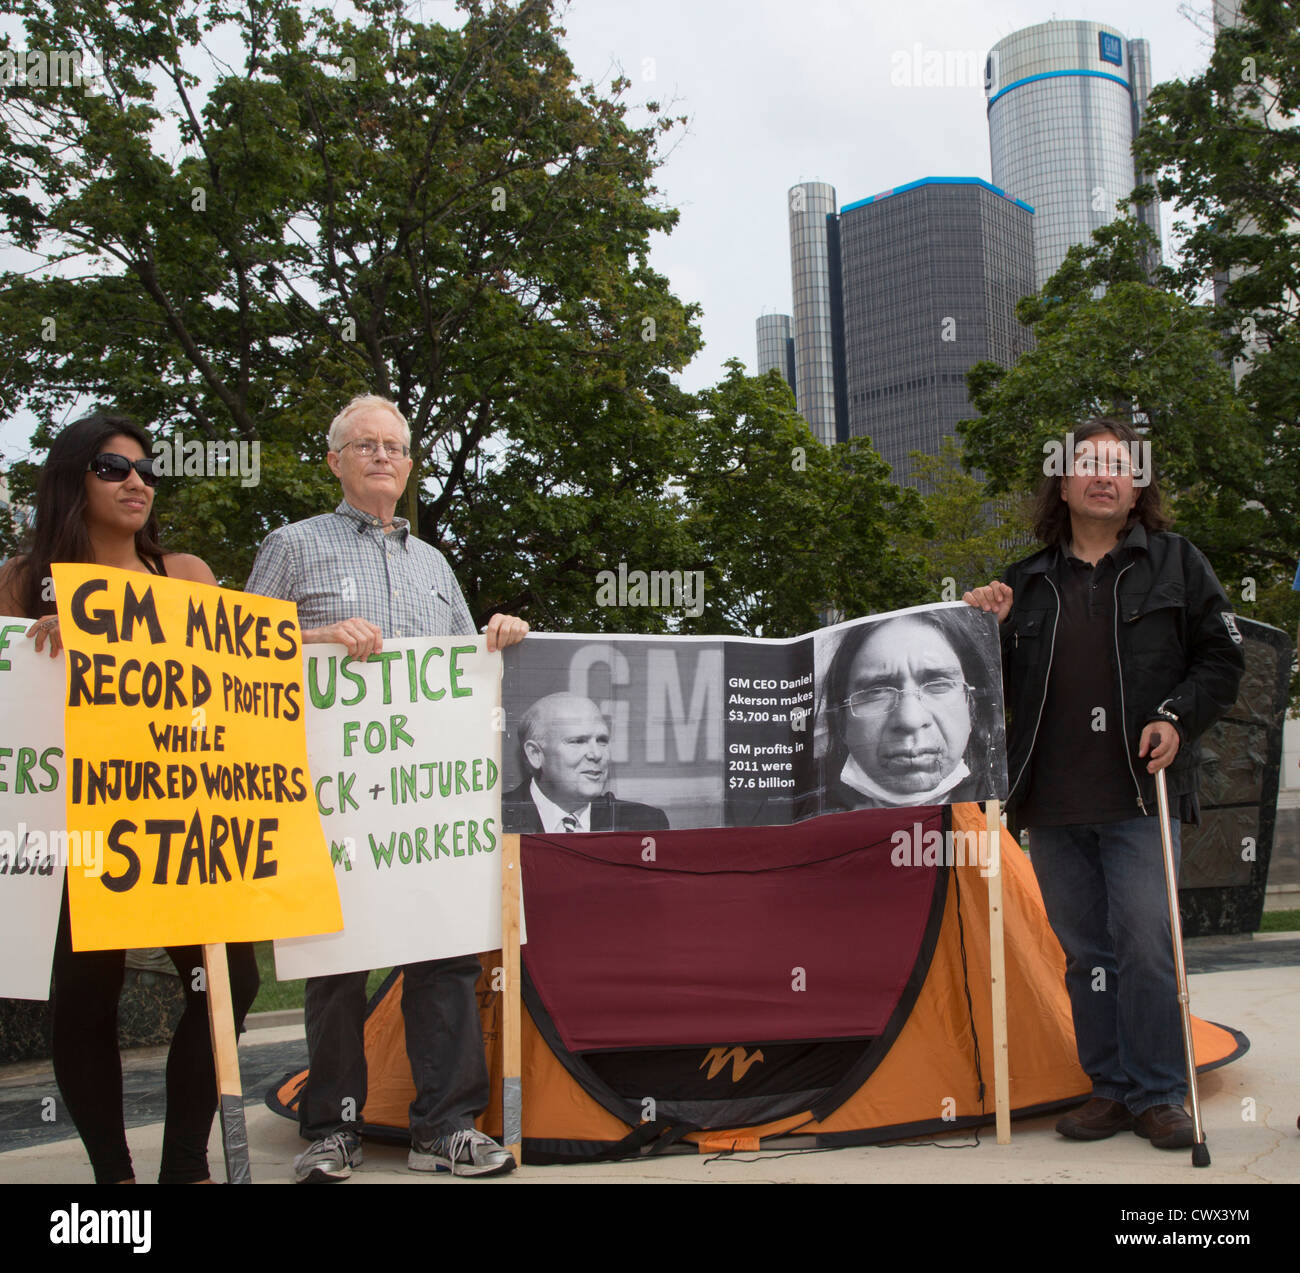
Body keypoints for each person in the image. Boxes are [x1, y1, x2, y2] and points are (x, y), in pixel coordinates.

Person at [244, 393, 528, 1182]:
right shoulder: (292, 545)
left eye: (394, 447)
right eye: (363, 444)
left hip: (425, 806)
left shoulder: (435, 563)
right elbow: (242, 653)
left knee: (443, 959)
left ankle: (446, 1127)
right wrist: (317, 637)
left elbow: (468, 674)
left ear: (408, 466)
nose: (380, 456)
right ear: (334, 460)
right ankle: (332, 1125)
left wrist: (497, 636)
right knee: (337, 964)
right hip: (330, 798)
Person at [964, 417, 1244, 1150]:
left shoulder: (1178, 564)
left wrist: (1178, 718)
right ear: (1062, 483)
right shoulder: (1022, 582)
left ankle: (1158, 1092)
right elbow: (977, 689)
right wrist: (978, 629)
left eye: (1119, 465)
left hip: (1138, 796)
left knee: (1148, 945)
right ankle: (1110, 1089)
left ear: (1137, 484)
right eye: (1087, 464)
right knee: (1087, 954)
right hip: (1053, 805)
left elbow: (1222, 660)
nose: (1103, 475)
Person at [0, 410, 260, 1184]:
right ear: (72, 478)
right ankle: (112, 1173)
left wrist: (332, 640)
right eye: (114, 468)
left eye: (146, 470)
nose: (137, 481)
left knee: (229, 981)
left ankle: (185, 1161)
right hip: (79, 826)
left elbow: (247, 666)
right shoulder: (19, 584)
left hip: (183, 818)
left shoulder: (186, 574)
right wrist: (48, 651)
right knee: (85, 994)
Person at [817, 609, 1000, 810]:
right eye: (877, 691)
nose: (910, 719)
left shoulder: (992, 819)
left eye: (938, 684)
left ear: (972, 708)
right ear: (842, 721)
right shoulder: (807, 823)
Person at [501, 692, 670, 833]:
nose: (596, 754)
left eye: (602, 740)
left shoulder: (645, 824)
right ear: (535, 754)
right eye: (578, 741)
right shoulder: (492, 820)